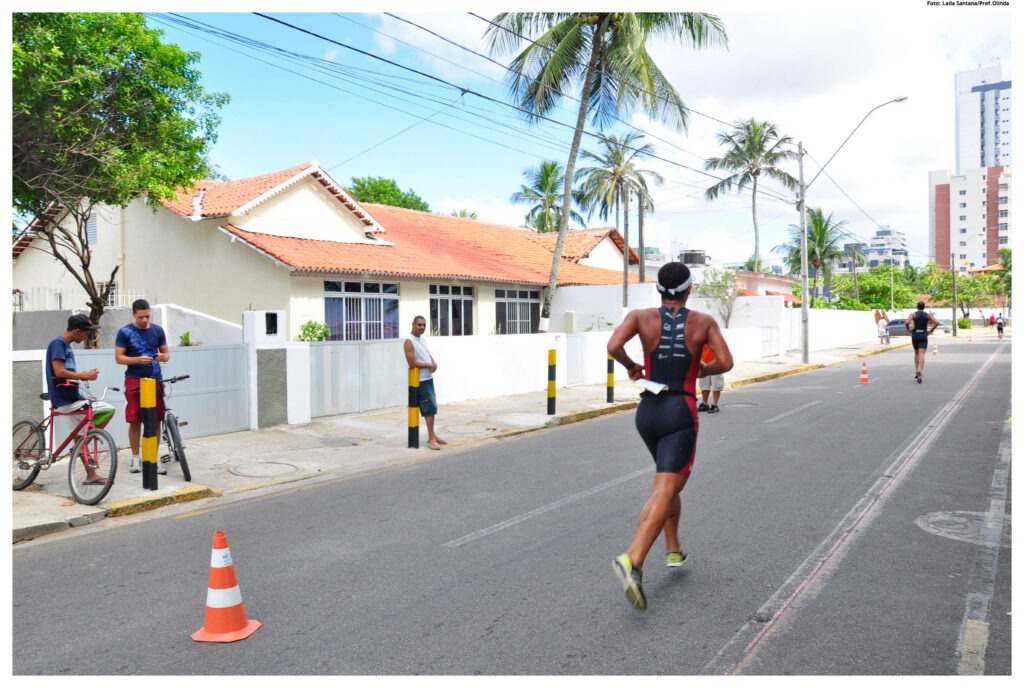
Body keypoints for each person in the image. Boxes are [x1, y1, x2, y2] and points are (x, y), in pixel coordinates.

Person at [606, 262, 733, 611]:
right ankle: (633, 559)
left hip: (647, 412)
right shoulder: (703, 323)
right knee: (666, 487)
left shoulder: (640, 317)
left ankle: (673, 548)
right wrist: (704, 369)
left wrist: (631, 365)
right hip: (680, 410)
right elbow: (726, 362)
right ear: (689, 290)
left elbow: (613, 345)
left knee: (668, 483)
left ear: (660, 290)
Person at [44, 314, 114, 484]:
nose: (86, 336)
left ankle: (90, 475)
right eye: (85, 333)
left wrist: (82, 376)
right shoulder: (58, 344)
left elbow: (66, 374)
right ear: (76, 330)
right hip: (65, 400)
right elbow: (59, 372)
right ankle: (83, 443)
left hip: (72, 398)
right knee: (107, 409)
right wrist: (84, 376)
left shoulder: (66, 346)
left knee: (79, 436)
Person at [115, 299, 170, 474]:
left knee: (156, 419)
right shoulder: (124, 332)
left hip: (155, 379)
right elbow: (119, 358)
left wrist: (164, 357)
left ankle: (152, 457)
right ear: (133, 314)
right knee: (135, 419)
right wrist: (138, 359)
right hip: (134, 379)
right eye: (141, 317)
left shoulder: (158, 330)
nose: (145, 320)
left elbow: (167, 353)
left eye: (147, 316)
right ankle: (135, 458)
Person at [404, 315, 446, 450]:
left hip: (428, 379)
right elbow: (412, 363)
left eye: (424, 325)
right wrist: (428, 365)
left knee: (432, 408)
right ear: (413, 324)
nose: (422, 327)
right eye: (419, 325)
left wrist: (433, 362)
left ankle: (432, 435)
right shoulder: (409, 341)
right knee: (428, 410)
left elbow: (427, 354)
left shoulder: (422, 340)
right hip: (420, 381)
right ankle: (432, 440)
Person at [905, 301, 939, 384]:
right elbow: (937, 322)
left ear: (917, 307)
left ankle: (916, 371)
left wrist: (909, 330)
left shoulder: (913, 314)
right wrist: (931, 330)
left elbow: (906, 322)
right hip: (924, 335)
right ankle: (920, 371)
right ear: (924, 307)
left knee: (916, 353)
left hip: (915, 335)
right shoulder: (928, 315)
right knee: (922, 354)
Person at [696, 345, 724, 413]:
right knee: (704, 385)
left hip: (716, 362)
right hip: (704, 362)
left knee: (716, 384)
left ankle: (715, 405)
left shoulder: (716, 335)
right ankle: (705, 404)